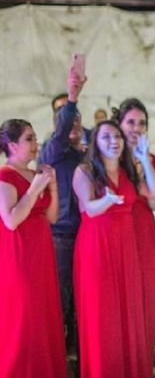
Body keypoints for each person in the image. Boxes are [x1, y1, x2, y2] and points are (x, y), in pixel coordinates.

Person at [72, 120, 155, 376]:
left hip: (127, 246)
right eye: (106, 137)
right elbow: (88, 208)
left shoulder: (129, 169)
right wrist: (107, 200)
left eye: (117, 136)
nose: (114, 141)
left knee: (128, 312)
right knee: (103, 316)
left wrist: (146, 161)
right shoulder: (85, 171)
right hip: (97, 246)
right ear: (95, 142)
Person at [0, 119, 67, 377]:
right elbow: (12, 220)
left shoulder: (35, 173)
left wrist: (52, 186)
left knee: (43, 315)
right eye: (29, 138)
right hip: (19, 257)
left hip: (42, 254)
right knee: (23, 318)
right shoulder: (5, 176)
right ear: (12, 144)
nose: (35, 143)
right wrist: (35, 188)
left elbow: (51, 217)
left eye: (35, 138)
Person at [39, 62, 86, 364]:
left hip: (86, 236)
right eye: (69, 120)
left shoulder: (85, 156)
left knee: (81, 298)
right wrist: (72, 100)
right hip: (60, 236)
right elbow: (59, 133)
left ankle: (81, 352)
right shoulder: (51, 151)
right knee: (60, 298)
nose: (74, 125)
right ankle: (59, 353)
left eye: (78, 120)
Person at [115, 97, 155, 373]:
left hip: (144, 234)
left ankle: (141, 366)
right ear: (120, 125)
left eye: (141, 123)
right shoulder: (108, 158)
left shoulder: (153, 161)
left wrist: (144, 161)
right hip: (116, 235)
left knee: (144, 302)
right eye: (130, 122)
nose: (136, 128)